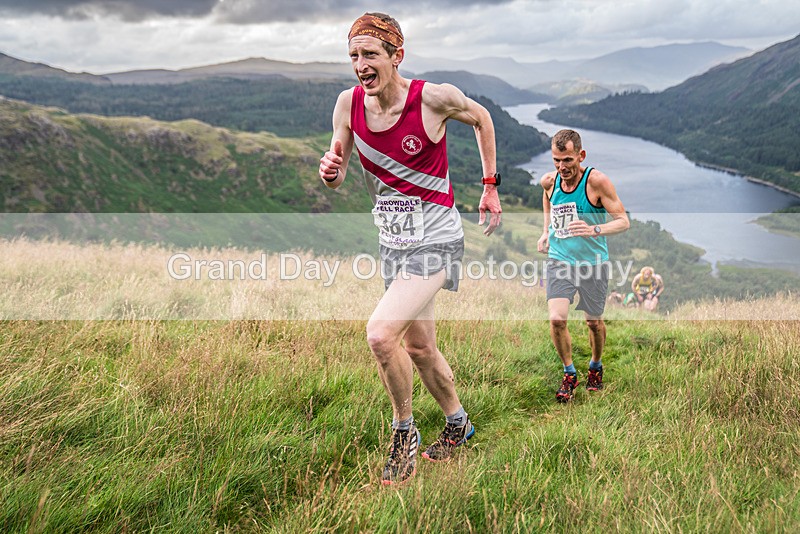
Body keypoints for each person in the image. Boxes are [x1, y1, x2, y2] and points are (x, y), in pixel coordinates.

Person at [318, 12, 502, 485]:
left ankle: (404, 433)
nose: (360, 64)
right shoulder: (347, 104)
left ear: (397, 56)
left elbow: (481, 119)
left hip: (438, 237)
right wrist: (332, 171)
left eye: (370, 54)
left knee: (381, 335)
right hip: (394, 243)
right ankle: (459, 425)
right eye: (354, 55)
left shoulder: (433, 98)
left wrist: (489, 186)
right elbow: (337, 172)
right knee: (419, 347)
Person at [537, 129, 630, 402]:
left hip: (593, 263)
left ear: (581, 155)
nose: (561, 167)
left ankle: (595, 365)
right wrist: (545, 232)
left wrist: (594, 229)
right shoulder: (549, 181)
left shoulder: (597, 182)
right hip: (560, 258)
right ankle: (569, 373)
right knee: (557, 318)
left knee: (593, 322)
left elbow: (623, 221)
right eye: (556, 160)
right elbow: (547, 199)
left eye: (567, 160)